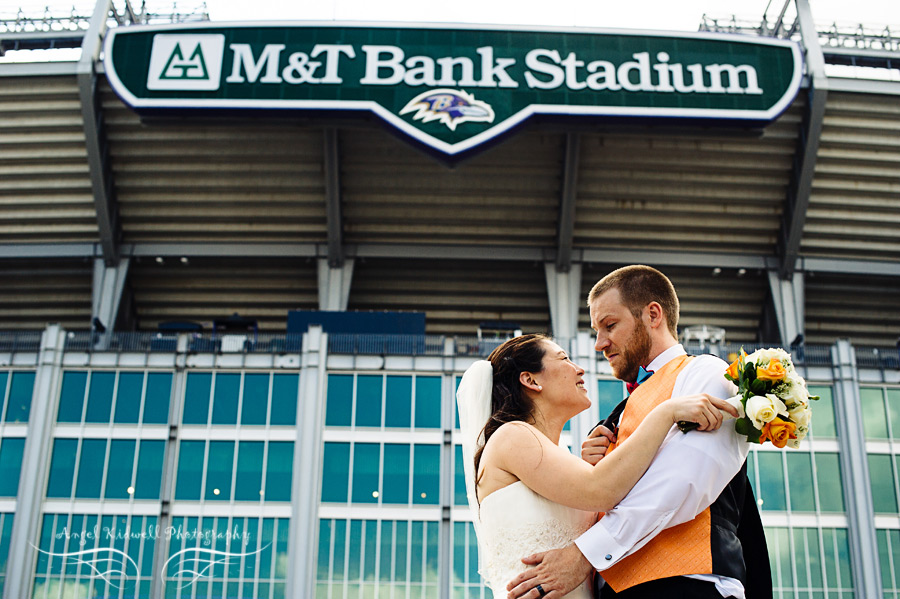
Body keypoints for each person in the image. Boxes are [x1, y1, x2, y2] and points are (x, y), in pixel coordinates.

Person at [505, 265, 771, 599]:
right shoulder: (614, 417)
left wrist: (586, 554)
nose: (600, 343)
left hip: (687, 586)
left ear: (653, 315)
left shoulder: (706, 373)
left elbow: (682, 481)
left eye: (610, 325)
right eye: (597, 330)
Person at [456, 333, 738, 599]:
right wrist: (666, 412)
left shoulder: (557, 455)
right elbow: (600, 489)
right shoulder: (511, 436)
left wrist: (592, 465)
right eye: (564, 358)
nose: (578, 369)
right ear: (530, 380)